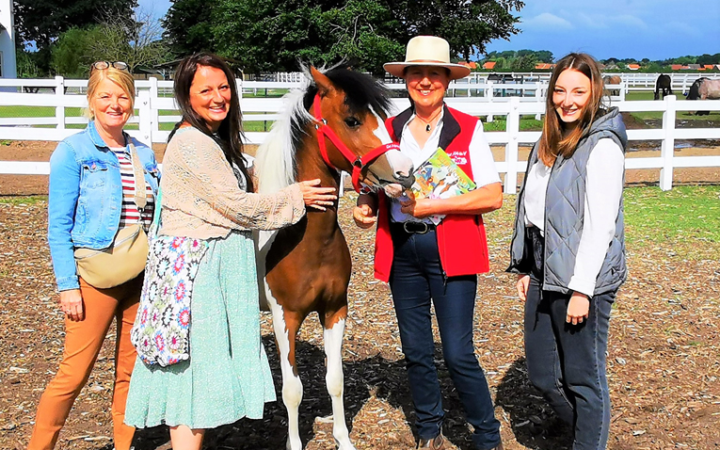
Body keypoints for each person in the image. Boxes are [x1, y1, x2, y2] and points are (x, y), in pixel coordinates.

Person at [123, 52, 336, 450]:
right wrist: (296, 196)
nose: (218, 96)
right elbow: (236, 206)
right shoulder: (192, 144)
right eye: (205, 89)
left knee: (199, 386)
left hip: (212, 270)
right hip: (200, 276)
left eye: (224, 87)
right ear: (187, 95)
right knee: (192, 391)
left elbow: (245, 178)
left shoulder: (214, 141)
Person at [353, 36, 504, 450]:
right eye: (416, 73)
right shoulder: (388, 129)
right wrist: (364, 205)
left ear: (446, 80)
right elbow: (370, 181)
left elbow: (492, 195)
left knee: (457, 353)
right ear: (405, 79)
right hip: (403, 250)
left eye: (433, 74)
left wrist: (436, 204)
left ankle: (487, 436)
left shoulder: (467, 130)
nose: (424, 81)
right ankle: (428, 430)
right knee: (416, 350)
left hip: (451, 248)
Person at [28, 61, 160, 450]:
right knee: (74, 372)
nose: (114, 104)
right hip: (95, 275)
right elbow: (58, 226)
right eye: (105, 95)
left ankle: (125, 444)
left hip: (141, 275)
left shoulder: (144, 153)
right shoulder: (72, 152)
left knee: (131, 371)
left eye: (122, 96)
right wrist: (67, 285)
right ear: (90, 101)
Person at [507, 52, 627, 450]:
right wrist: (526, 265)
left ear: (594, 92)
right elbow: (532, 209)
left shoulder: (602, 146)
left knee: (583, 378)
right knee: (543, 375)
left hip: (581, 273)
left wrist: (582, 290)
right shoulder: (548, 142)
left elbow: (599, 225)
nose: (568, 99)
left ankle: (587, 440)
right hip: (544, 268)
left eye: (578, 90)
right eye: (560, 90)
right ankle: (585, 432)